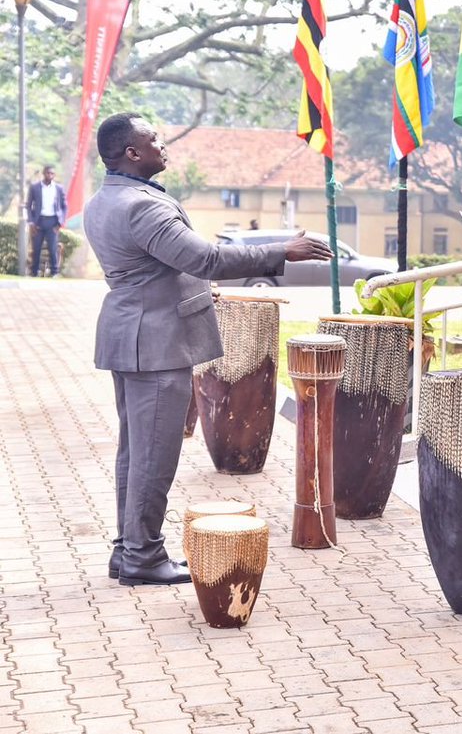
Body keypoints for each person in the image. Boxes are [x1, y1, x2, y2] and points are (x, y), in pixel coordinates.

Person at [85, 112, 333, 586]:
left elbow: (163, 267)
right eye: (152, 138)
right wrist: (282, 249)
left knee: (134, 452)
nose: (163, 143)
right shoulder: (143, 206)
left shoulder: (105, 199)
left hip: (131, 333)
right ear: (131, 153)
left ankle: (128, 549)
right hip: (154, 342)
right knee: (154, 456)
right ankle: (142, 555)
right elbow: (205, 257)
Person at [26, 165, 67, 277]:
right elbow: (28, 205)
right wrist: (31, 222)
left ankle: (55, 273)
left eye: (52, 173)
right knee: (36, 248)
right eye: (48, 173)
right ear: (43, 174)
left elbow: (64, 206)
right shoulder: (35, 187)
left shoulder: (58, 188)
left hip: (53, 222)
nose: (50, 175)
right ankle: (34, 272)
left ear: (54, 175)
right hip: (38, 222)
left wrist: (60, 222)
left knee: (53, 248)